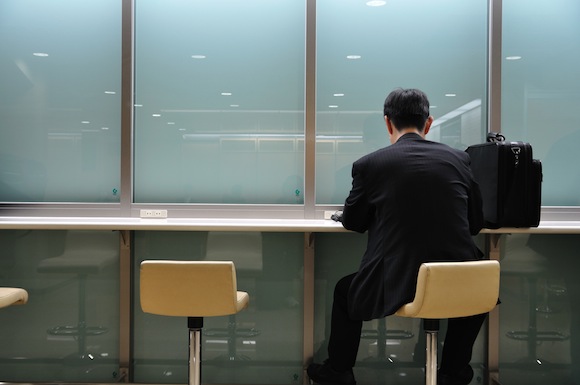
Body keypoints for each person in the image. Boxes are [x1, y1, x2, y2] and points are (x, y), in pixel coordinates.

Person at [307, 88, 487, 385]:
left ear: (387, 122)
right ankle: (453, 370)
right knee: (469, 284)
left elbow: (354, 222)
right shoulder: (459, 160)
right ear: (428, 123)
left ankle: (338, 371)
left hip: (397, 281)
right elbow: (476, 223)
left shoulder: (370, 165)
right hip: (460, 281)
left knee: (343, 291)